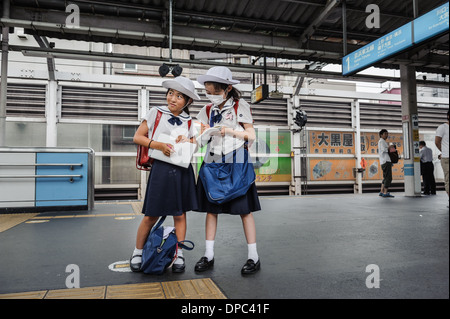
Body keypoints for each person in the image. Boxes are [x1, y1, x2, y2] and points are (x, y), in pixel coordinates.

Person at [194, 66, 262, 275]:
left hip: (236, 160)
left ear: (228, 88)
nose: (211, 95)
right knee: (211, 209)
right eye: (208, 92)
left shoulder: (240, 106)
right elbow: (197, 136)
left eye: (215, 91)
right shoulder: (206, 110)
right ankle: (209, 254)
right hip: (213, 160)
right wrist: (201, 133)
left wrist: (229, 131)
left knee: (244, 210)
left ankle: (253, 256)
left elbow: (251, 136)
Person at [130, 76, 200, 273]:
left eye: (179, 96)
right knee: (151, 214)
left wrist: (187, 141)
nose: (173, 98)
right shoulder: (155, 112)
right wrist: (158, 145)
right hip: (161, 169)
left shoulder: (190, 122)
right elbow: (138, 137)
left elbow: (195, 146)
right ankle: (138, 251)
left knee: (180, 214)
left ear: (188, 102)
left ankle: (179, 254)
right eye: (171, 93)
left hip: (182, 170)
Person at [435, 110, 449, 205]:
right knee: (448, 179)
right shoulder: (443, 127)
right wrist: (443, 152)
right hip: (447, 157)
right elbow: (437, 141)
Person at [378, 129, 394, 198]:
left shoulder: (382, 141)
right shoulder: (381, 141)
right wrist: (390, 147)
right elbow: (384, 150)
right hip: (386, 161)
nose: (386, 135)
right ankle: (385, 192)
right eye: (385, 134)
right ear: (381, 135)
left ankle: (382, 191)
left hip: (384, 161)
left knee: (385, 177)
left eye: (387, 134)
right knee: (388, 177)